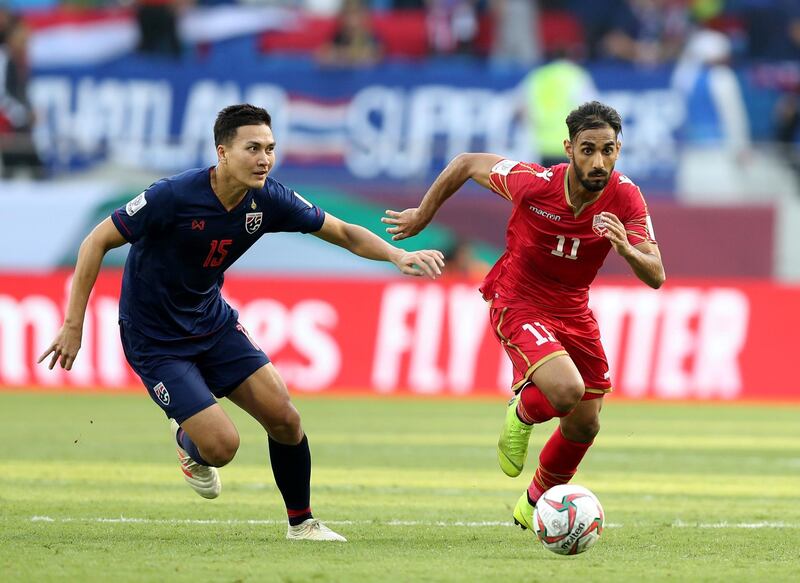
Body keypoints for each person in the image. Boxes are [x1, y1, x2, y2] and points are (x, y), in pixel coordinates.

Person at [38, 103, 445, 542]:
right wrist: (73, 324)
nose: (265, 158)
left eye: (270, 148)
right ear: (223, 153)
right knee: (221, 447)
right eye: (253, 148)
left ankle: (302, 524)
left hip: (212, 323)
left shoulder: (269, 198)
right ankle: (188, 442)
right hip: (155, 338)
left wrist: (397, 255)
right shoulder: (171, 196)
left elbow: (344, 232)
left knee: (285, 418)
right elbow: (96, 240)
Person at [382, 101, 664, 530]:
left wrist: (626, 247)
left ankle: (531, 506)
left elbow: (656, 274)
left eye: (607, 150)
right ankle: (522, 413)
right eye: (587, 149)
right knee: (566, 391)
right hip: (519, 298)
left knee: (586, 424)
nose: (598, 161)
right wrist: (423, 214)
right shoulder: (532, 183)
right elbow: (466, 163)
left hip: (574, 308)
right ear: (568, 148)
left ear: (618, 150)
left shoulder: (625, 197)